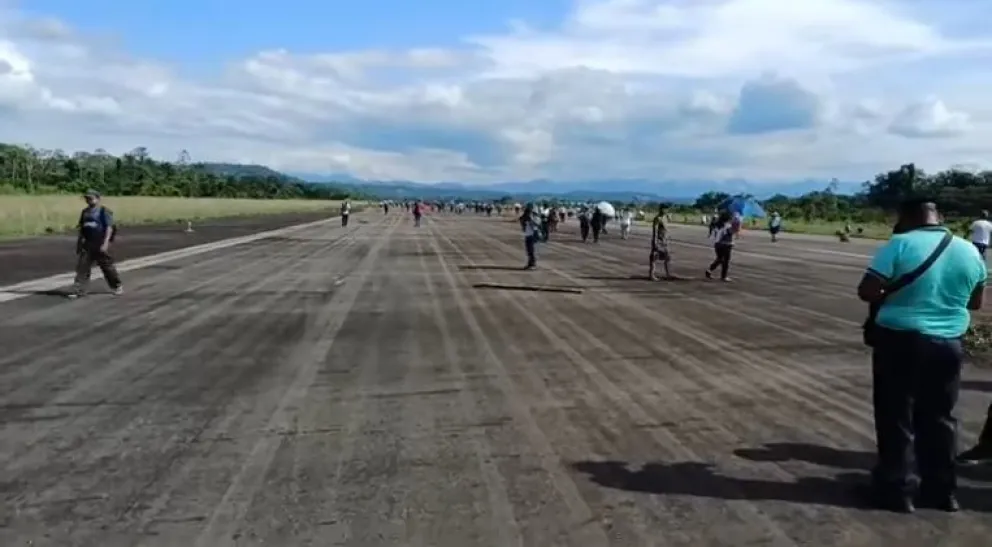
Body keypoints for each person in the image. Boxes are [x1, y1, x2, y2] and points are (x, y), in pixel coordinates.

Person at [856, 198, 986, 513]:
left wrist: (893, 294)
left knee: (896, 415)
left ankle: (895, 490)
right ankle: (942, 492)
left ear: (908, 217)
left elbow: (868, 290)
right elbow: (975, 303)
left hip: (900, 341)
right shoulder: (970, 250)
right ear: (939, 216)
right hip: (948, 344)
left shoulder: (900, 243)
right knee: (940, 418)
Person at [68, 190, 123, 299]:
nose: (88, 200)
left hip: (100, 243)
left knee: (107, 267)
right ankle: (79, 290)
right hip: (87, 243)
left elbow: (109, 228)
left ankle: (117, 286)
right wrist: (79, 243)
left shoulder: (104, 211)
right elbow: (81, 229)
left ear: (97, 199)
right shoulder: (85, 212)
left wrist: (105, 243)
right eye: (87, 198)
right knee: (82, 268)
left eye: (91, 198)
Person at [705, 211, 736, 282]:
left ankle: (709, 270)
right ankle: (723, 276)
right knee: (725, 261)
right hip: (725, 245)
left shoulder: (717, 224)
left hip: (717, 244)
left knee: (719, 259)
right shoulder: (727, 226)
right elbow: (729, 234)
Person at [648, 204, 673, 280]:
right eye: (665, 209)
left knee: (668, 257)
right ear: (661, 209)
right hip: (658, 241)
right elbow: (655, 231)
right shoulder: (657, 218)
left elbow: (666, 228)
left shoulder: (665, 217)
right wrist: (655, 242)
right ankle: (652, 275)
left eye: (667, 209)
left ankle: (668, 274)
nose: (666, 211)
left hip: (664, 241)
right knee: (654, 258)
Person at [519, 204, 540, 269]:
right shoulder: (526, 217)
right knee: (529, 251)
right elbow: (521, 221)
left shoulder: (536, 217)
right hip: (528, 235)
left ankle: (533, 264)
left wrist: (530, 219)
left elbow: (536, 225)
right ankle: (530, 263)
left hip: (533, 234)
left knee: (532, 250)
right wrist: (524, 220)